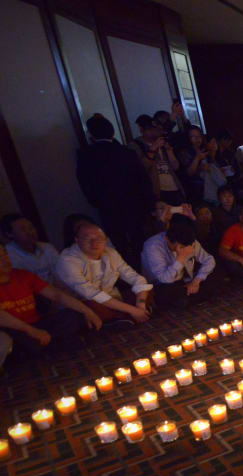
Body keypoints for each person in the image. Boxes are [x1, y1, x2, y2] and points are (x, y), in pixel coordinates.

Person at [0, 247, 100, 361]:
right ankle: (46, 347)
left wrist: (87, 311)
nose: (5, 260)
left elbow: (57, 295)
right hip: (14, 330)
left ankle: (44, 348)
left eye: (5, 255)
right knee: (10, 340)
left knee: (74, 315)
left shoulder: (22, 275)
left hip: (37, 324)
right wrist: (31, 331)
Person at [76, 114, 153, 260]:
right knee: (138, 238)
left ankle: (125, 271)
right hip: (133, 202)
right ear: (112, 132)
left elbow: (85, 183)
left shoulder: (86, 155)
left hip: (107, 205)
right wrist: (148, 202)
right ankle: (143, 269)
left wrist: (96, 201)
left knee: (118, 241)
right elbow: (142, 179)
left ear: (91, 134)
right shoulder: (126, 153)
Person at [56, 222, 153, 324]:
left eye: (99, 238)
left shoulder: (110, 253)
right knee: (90, 307)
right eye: (87, 238)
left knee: (146, 290)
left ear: (106, 240)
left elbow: (136, 278)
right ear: (77, 240)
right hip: (85, 303)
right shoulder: (68, 260)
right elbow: (92, 294)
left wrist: (140, 305)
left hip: (113, 299)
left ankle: (129, 315)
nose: (94, 243)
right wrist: (133, 310)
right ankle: (127, 315)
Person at [141, 213, 218, 308]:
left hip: (187, 279)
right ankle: (192, 298)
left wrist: (196, 281)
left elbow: (209, 260)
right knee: (169, 294)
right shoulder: (152, 247)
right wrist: (180, 258)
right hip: (162, 284)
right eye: (179, 246)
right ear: (167, 239)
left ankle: (191, 296)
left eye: (184, 247)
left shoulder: (189, 241)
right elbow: (164, 279)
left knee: (216, 274)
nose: (182, 249)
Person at [129, 117, 185, 207]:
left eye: (157, 129)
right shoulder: (135, 145)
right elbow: (140, 169)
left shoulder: (163, 143)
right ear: (142, 130)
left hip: (175, 188)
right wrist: (152, 149)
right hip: (158, 192)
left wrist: (169, 151)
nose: (155, 132)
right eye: (151, 129)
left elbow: (176, 167)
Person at [3, 214, 59, 283]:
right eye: (23, 229)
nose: (30, 232)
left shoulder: (47, 247)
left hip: (55, 290)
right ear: (9, 234)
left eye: (31, 227)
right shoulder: (8, 256)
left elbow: (60, 273)